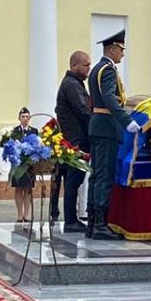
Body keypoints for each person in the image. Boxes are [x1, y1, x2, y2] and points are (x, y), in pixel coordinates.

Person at [86, 31, 132, 240]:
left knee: (96, 175)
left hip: (99, 126)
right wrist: (127, 120)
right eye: (121, 50)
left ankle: (92, 222)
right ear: (112, 49)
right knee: (104, 175)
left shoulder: (97, 68)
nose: (122, 54)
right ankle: (100, 225)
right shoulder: (108, 70)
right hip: (107, 127)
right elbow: (110, 98)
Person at [52, 51, 92, 232]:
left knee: (74, 180)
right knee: (74, 180)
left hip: (75, 139)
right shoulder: (71, 85)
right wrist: (97, 122)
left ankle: (72, 218)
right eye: (86, 65)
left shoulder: (75, 83)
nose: (89, 68)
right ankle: (70, 220)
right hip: (75, 140)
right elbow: (83, 111)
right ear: (74, 65)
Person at [9, 107, 40, 227]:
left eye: (27, 117)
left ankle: (27, 214)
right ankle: (19, 214)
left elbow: (37, 146)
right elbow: (11, 146)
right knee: (18, 189)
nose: (25, 119)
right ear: (19, 118)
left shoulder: (34, 131)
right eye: (23, 117)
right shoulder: (14, 131)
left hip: (29, 165)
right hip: (18, 164)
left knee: (28, 189)